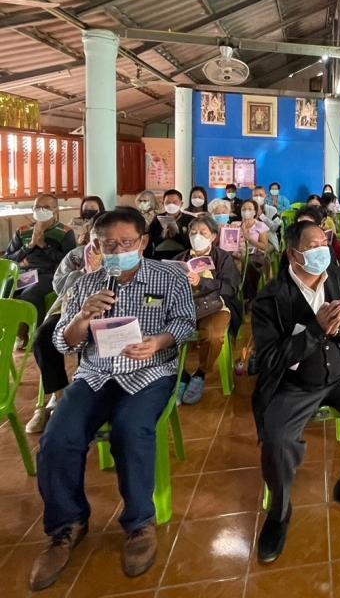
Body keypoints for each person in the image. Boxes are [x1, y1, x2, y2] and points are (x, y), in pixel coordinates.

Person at [30, 208, 195, 590]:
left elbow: (185, 323)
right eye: (108, 245)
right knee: (57, 439)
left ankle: (139, 524)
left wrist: (158, 342)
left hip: (149, 373)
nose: (118, 251)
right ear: (97, 246)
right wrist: (82, 319)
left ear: (143, 242)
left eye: (125, 243)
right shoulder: (86, 284)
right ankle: (66, 525)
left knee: (130, 430)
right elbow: (63, 343)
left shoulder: (170, 276)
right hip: (96, 375)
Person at [252, 222, 340, 563]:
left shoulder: (338, 278)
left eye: (324, 243)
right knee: (278, 440)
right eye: (312, 246)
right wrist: (315, 331)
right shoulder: (271, 297)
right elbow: (268, 359)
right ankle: (279, 513)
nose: (322, 251)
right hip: (294, 384)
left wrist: (339, 329)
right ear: (293, 254)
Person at [27, 239, 104, 434]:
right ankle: (58, 395)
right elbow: (59, 285)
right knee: (43, 335)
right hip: (66, 308)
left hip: (103, 309)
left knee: (91, 339)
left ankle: (83, 394)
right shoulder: (76, 256)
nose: (98, 245)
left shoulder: (118, 254)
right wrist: (85, 272)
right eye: (95, 238)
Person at [173, 214, 242, 405]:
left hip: (215, 306)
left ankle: (200, 373)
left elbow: (231, 288)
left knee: (213, 334)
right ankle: (181, 376)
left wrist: (202, 282)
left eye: (203, 233)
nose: (197, 236)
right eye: (193, 232)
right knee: (164, 332)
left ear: (213, 236)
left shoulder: (223, 258)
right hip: (185, 307)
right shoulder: (180, 259)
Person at [5, 193, 77, 329]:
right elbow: (9, 258)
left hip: (49, 274)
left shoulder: (65, 232)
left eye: (46, 207)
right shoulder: (22, 231)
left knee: (29, 295)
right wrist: (29, 246)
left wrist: (44, 245)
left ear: (55, 210)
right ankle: (9, 329)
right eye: (37, 207)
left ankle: (34, 331)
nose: (41, 210)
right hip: (24, 274)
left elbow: (69, 261)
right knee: (6, 291)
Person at [230, 199, 269, 305]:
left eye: (250, 209)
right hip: (237, 253)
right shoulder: (235, 224)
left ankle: (250, 297)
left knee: (250, 263)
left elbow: (264, 246)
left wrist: (249, 239)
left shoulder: (260, 225)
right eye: (244, 209)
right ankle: (232, 294)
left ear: (255, 212)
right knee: (229, 262)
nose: (246, 211)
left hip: (255, 254)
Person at [148, 190, 190, 260]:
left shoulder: (189, 219)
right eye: (168, 202)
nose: (171, 205)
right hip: (160, 255)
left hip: (182, 255)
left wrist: (176, 236)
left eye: (175, 202)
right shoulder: (157, 218)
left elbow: (191, 242)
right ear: (163, 203)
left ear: (181, 204)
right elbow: (150, 239)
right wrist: (162, 236)